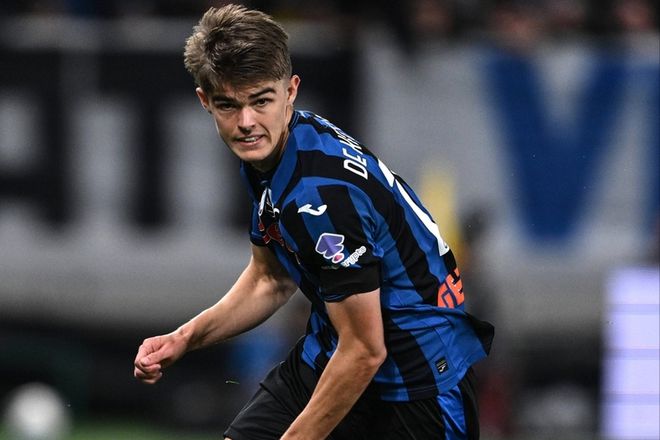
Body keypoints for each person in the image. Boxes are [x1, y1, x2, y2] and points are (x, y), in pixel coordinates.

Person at [133, 4, 494, 439]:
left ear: (291, 91)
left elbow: (365, 351)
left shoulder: (319, 197)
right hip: (335, 353)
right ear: (204, 101)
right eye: (228, 105)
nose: (246, 123)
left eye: (261, 101)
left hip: (419, 389)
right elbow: (270, 279)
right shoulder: (280, 149)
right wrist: (185, 338)